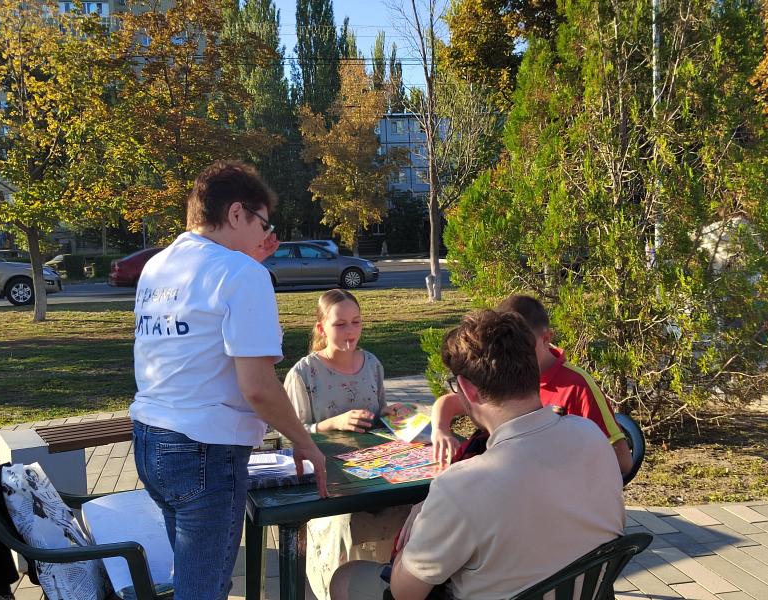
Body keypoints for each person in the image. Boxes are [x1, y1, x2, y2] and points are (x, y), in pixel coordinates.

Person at [130, 160, 328, 600]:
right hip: (204, 450)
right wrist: (305, 442)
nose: (265, 235)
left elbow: (195, 343)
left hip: (150, 441)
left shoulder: (158, 266)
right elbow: (257, 386)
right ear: (237, 213)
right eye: (263, 222)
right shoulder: (243, 276)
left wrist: (247, 262)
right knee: (204, 591)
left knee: (191, 580)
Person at [329, 310, 625, 600]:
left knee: (346, 577)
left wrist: (423, 516)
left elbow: (405, 592)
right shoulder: (591, 437)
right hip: (591, 590)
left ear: (468, 391)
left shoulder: (463, 485)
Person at [284, 289, 409, 600]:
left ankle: (388, 583)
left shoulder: (372, 364)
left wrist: (388, 414)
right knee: (343, 524)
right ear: (321, 328)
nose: (350, 331)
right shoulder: (304, 373)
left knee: (412, 509)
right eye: (340, 324)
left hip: (376, 473)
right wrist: (331, 423)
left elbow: (374, 414)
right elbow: (291, 435)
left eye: (356, 322)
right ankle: (338, 589)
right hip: (331, 481)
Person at [431, 294, 633, 476]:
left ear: (546, 339)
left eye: (524, 345)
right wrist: (440, 429)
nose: (510, 354)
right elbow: (451, 402)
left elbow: (622, 461)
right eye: (502, 347)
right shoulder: (504, 373)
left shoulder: (577, 384)